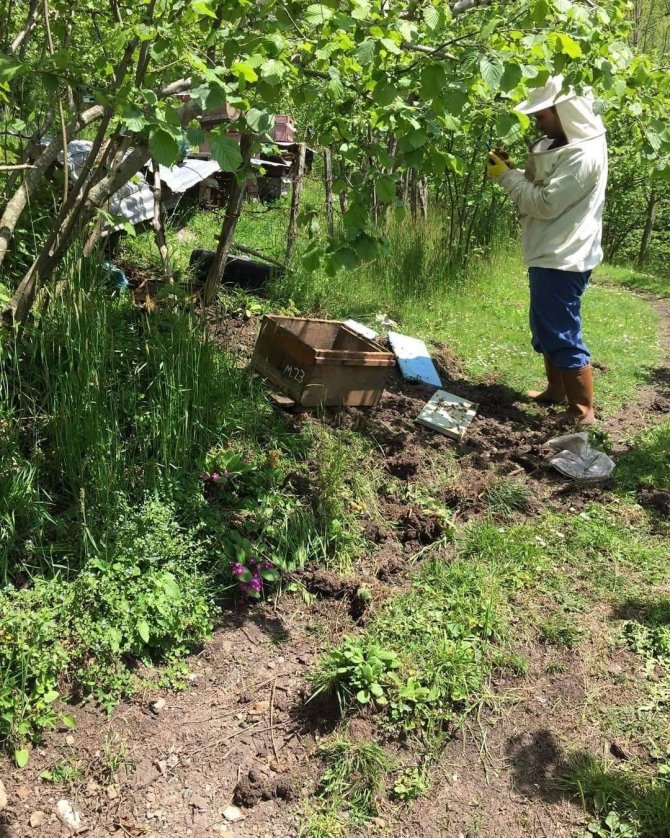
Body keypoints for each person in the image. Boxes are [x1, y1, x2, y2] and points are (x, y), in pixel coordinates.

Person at [486, 74, 608, 427]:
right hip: (552, 251)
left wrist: (506, 178)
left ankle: (582, 413)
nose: (538, 122)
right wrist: (512, 169)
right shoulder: (570, 143)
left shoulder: (582, 155)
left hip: (563, 257)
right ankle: (556, 391)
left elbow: (543, 202)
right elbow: (545, 184)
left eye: (542, 115)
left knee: (561, 331)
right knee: (544, 327)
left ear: (565, 111)